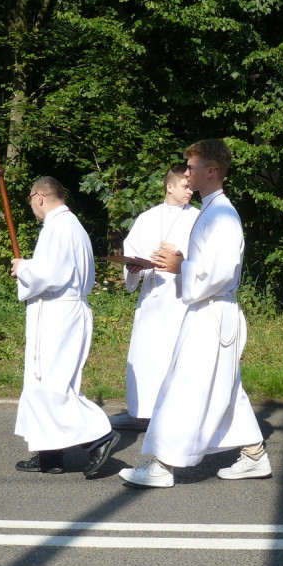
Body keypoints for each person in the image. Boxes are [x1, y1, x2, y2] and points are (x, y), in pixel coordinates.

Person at [119, 139, 270, 488]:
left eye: (192, 167)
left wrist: (179, 266)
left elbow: (220, 272)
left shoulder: (220, 214)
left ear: (212, 171)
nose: (187, 173)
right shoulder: (211, 210)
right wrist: (182, 264)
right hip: (207, 311)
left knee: (183, 388)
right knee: (224, 389)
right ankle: (254, 456)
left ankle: (161, 466)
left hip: (211, 312)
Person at [11, 176, 120, 478]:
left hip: (58, 313)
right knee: (39, 382)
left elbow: (51, 274)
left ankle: (99, 438)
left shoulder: (58, 227)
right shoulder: (69, 225)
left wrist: (23, 268)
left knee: (52, 385)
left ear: (39, 197)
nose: (31, 206)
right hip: (62, 310)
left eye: (30, 200)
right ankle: (50, 453)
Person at [108, 165, 199, 431]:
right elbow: (131, 252)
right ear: (169, 186)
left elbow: (203, 258)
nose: (190, 191)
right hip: (151, 298)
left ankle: (176, 414)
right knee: (146, 356)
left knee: (175, 357)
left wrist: (179, 259)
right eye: (185, 186)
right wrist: (133, 267)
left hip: (180, 297)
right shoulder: (147, 219)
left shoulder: (198, 218)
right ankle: (141, 412)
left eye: (192, 186)